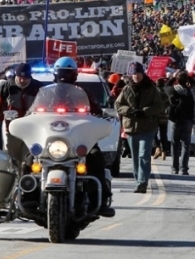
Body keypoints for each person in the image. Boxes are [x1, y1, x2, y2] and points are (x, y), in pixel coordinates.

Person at [51, 57, 115, 217]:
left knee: (95, 158)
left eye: (67, 73)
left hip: (80, 141)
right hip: (51, 142)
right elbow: (34, 111)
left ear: (74, 74)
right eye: (61, 73)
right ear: (55, 74)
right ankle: (25, 195)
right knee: (29, 157)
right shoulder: (48, 93)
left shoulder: (83, 93)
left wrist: (100, 116)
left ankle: (100, 201)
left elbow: (97, 111)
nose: (64, 76)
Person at [115, 62, 164, 193]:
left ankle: (143, 182)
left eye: (138, 73)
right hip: (131, 128)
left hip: (147, 127)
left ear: (143, 73)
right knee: (135, 157)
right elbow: (118, 105)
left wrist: (145, 111)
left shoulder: (152, 88)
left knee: (144, 155)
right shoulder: (127, 89)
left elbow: (159, 106)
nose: (136, 76)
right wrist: (130, 111)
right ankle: (138, 181)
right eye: (134, 73)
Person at [165, 70, 195, 175]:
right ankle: (184, 169)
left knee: (175, 145)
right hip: (187, 120)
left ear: (177, 80)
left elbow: (166, 85)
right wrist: (188, 77)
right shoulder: (190, 92)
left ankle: (174, 168)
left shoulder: (172, 90)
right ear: (186, 81)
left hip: (175, 120)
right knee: (186, 145)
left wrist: (173, 77)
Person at [152, 77, 171, 160]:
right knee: (164, 135)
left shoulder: (154, 93)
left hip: (155, 116)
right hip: (164, 117)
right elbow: (169, 104)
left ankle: (157, 147)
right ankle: (164, 152)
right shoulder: (167, 93)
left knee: (153, 134)